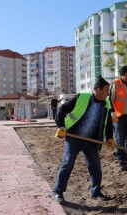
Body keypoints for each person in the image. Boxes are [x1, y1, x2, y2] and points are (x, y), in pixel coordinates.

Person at [52, 76, 115, 204]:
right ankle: (58, 191)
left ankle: (95, 191)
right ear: (97, 89)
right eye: (107, 90)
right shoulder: (82, 97)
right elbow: (61, 110)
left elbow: (108, 124)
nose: (108, 93)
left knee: (95, 166)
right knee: (68, 163)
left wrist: (109, 138)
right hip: (73, 137)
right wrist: (61, 126)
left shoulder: (106, 104)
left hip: (92, 141)